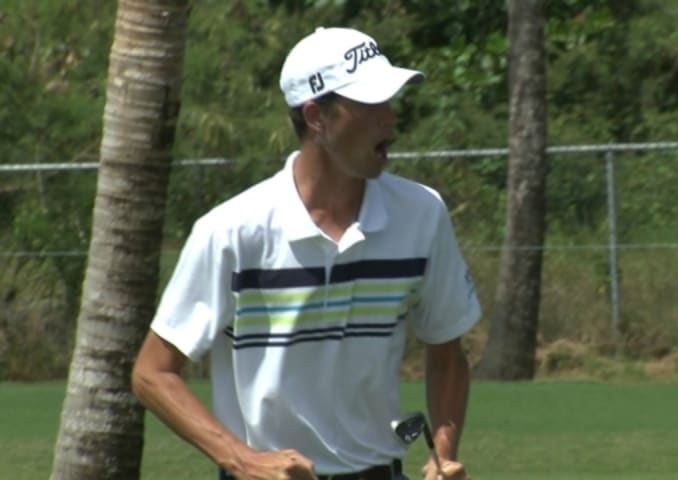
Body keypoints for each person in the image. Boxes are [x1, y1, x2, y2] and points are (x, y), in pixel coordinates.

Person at [132, 26, 480, 480]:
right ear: (317, 116)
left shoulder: (422, 214)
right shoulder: (232, 230)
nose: (390, 119)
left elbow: (448, 353)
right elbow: (152, 373)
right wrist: (242, 460)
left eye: (389, 102)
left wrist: (444, 454)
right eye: (370, 104)